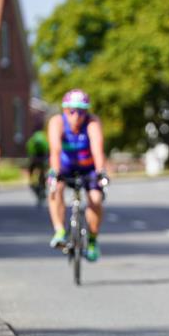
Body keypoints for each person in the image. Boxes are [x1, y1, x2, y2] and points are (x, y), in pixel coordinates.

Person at [46, 89, 108, 262]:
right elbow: (55, 149)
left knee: (95, 199)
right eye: (72, 111)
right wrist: (55, 172)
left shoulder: (92, 123)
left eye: (82, 111)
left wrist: (101, 172)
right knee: (54, 188)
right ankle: (59, 231)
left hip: (88, 168)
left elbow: (97, 149)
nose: (77, 116)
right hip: (65, 167)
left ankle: (93, 241)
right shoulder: (57, 122)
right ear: (65, 110)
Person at [26, 117, 49, 200]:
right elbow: (47, 147)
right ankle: (43, 184)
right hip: (42, 156)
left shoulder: (33, 137)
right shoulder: (43, 136)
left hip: (34, 156)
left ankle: (31, 182)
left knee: (31, 169)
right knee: (43, 170)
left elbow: (29, 147)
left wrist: (30, 156)